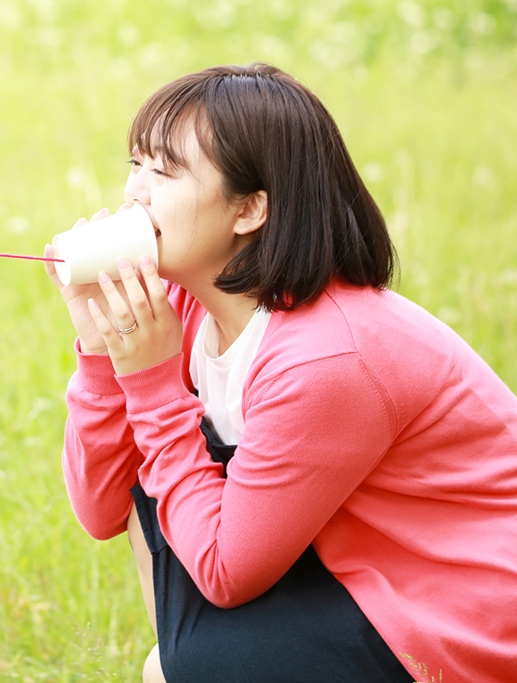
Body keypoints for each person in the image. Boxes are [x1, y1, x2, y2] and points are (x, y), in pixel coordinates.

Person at [44, 63, 517, 683]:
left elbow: (225, 573)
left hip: (452, 610)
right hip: (352, 568)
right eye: (136, 164)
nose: (134, 192)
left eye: (164, 171)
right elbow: (102, 508)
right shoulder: (183, 308)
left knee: (200, 662)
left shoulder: (326, 359)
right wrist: (102, 346)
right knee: (157, 496)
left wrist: (154, 388)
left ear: (249, 209)